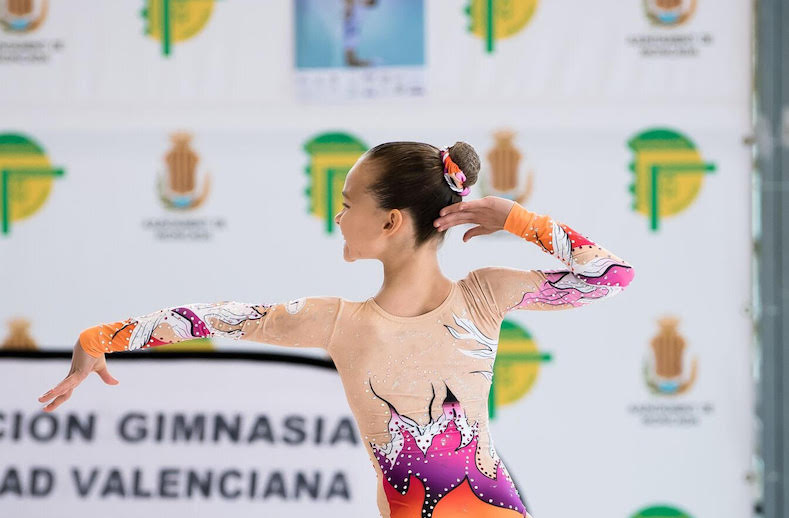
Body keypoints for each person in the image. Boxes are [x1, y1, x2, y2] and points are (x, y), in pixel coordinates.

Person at [38, 141, 635, 518]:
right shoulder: (344, 321)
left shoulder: (479, 296)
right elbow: (218, 317)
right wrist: (102, 338)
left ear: (391, 222)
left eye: (348, 204)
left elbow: (612, 276)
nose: (338, 216)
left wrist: (518, 218)